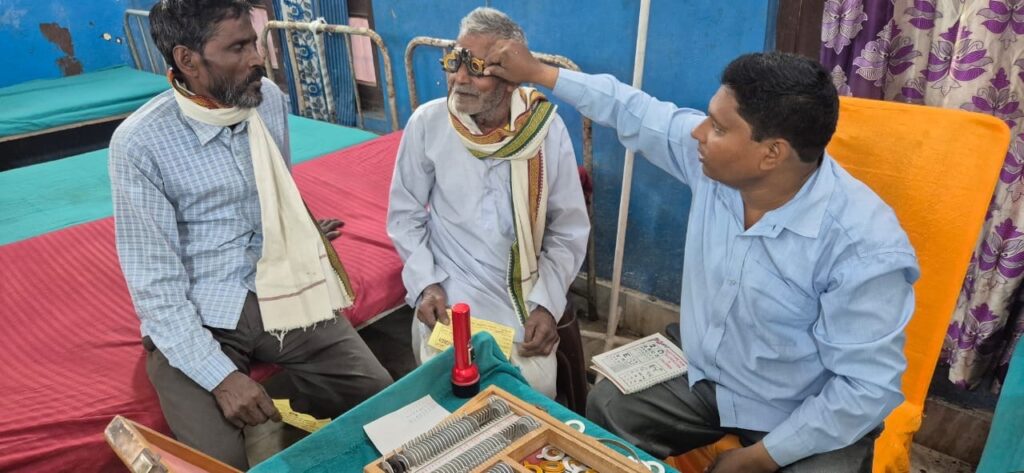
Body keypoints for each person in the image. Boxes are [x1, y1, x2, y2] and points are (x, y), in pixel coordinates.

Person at [484, 44, 919, 472]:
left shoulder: (863, 247)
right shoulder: (714, 167)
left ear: (772, 153)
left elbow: (865, 388)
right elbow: (633, 110)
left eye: (718, 127)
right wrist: (539, 72)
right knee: (608, 408)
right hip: (707, 374)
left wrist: (761, 458)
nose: (698, 133)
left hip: (805, 404)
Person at [109, 0, 391, 468]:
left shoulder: (267, 100)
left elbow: (276, 192)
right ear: (187, 60)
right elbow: (155, 285)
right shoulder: (140, 143)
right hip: (202, 313)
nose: (258, 59)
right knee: (217, 462)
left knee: (382, 402)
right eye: (238, 48)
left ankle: (304, 414)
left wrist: (300, 232)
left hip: (278, 288)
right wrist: (220, 377)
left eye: (255, 43)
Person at [387, 7, 589, 399]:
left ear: (511, 80)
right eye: (455, 62)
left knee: (532, 388)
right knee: (443, 386)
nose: (459, 78)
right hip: (449, 291)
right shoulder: (428, 122)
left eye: (476, 67)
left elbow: (568, 230)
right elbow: (404, 216)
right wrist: (426, 284)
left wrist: (547, 304)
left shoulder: (544, 130)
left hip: (520, 292)